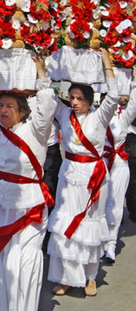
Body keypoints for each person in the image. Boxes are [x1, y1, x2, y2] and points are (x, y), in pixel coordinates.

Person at [0, 56, 56, 311]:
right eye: (1, 105)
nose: (3, 109)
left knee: (20, 263)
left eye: (9, 106)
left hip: (25, 207)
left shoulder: (36, 130)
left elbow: (47, 105)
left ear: (22, 110)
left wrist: (40, 71)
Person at [48, 49, 117, 297]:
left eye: (79, 98)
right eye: (72, 97)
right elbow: (46, 92)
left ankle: (90, 277)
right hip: (69, 173)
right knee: (66, 223)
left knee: (89, 226)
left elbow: (115, 95)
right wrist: (43, 61)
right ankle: (66, 277)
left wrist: (107, 61)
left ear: (89, 99)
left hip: (94, 176)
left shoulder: (100, 117)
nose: (75, 102)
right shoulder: (64, 114)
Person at [101, 69, 136, 262]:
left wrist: (134, 82)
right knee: (98, 205)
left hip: (119, 165)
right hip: (101, 165)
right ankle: (97, 242)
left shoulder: (122, 120)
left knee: (114, 207)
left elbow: (134, 104)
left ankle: (110, 245)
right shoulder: (96, 118)